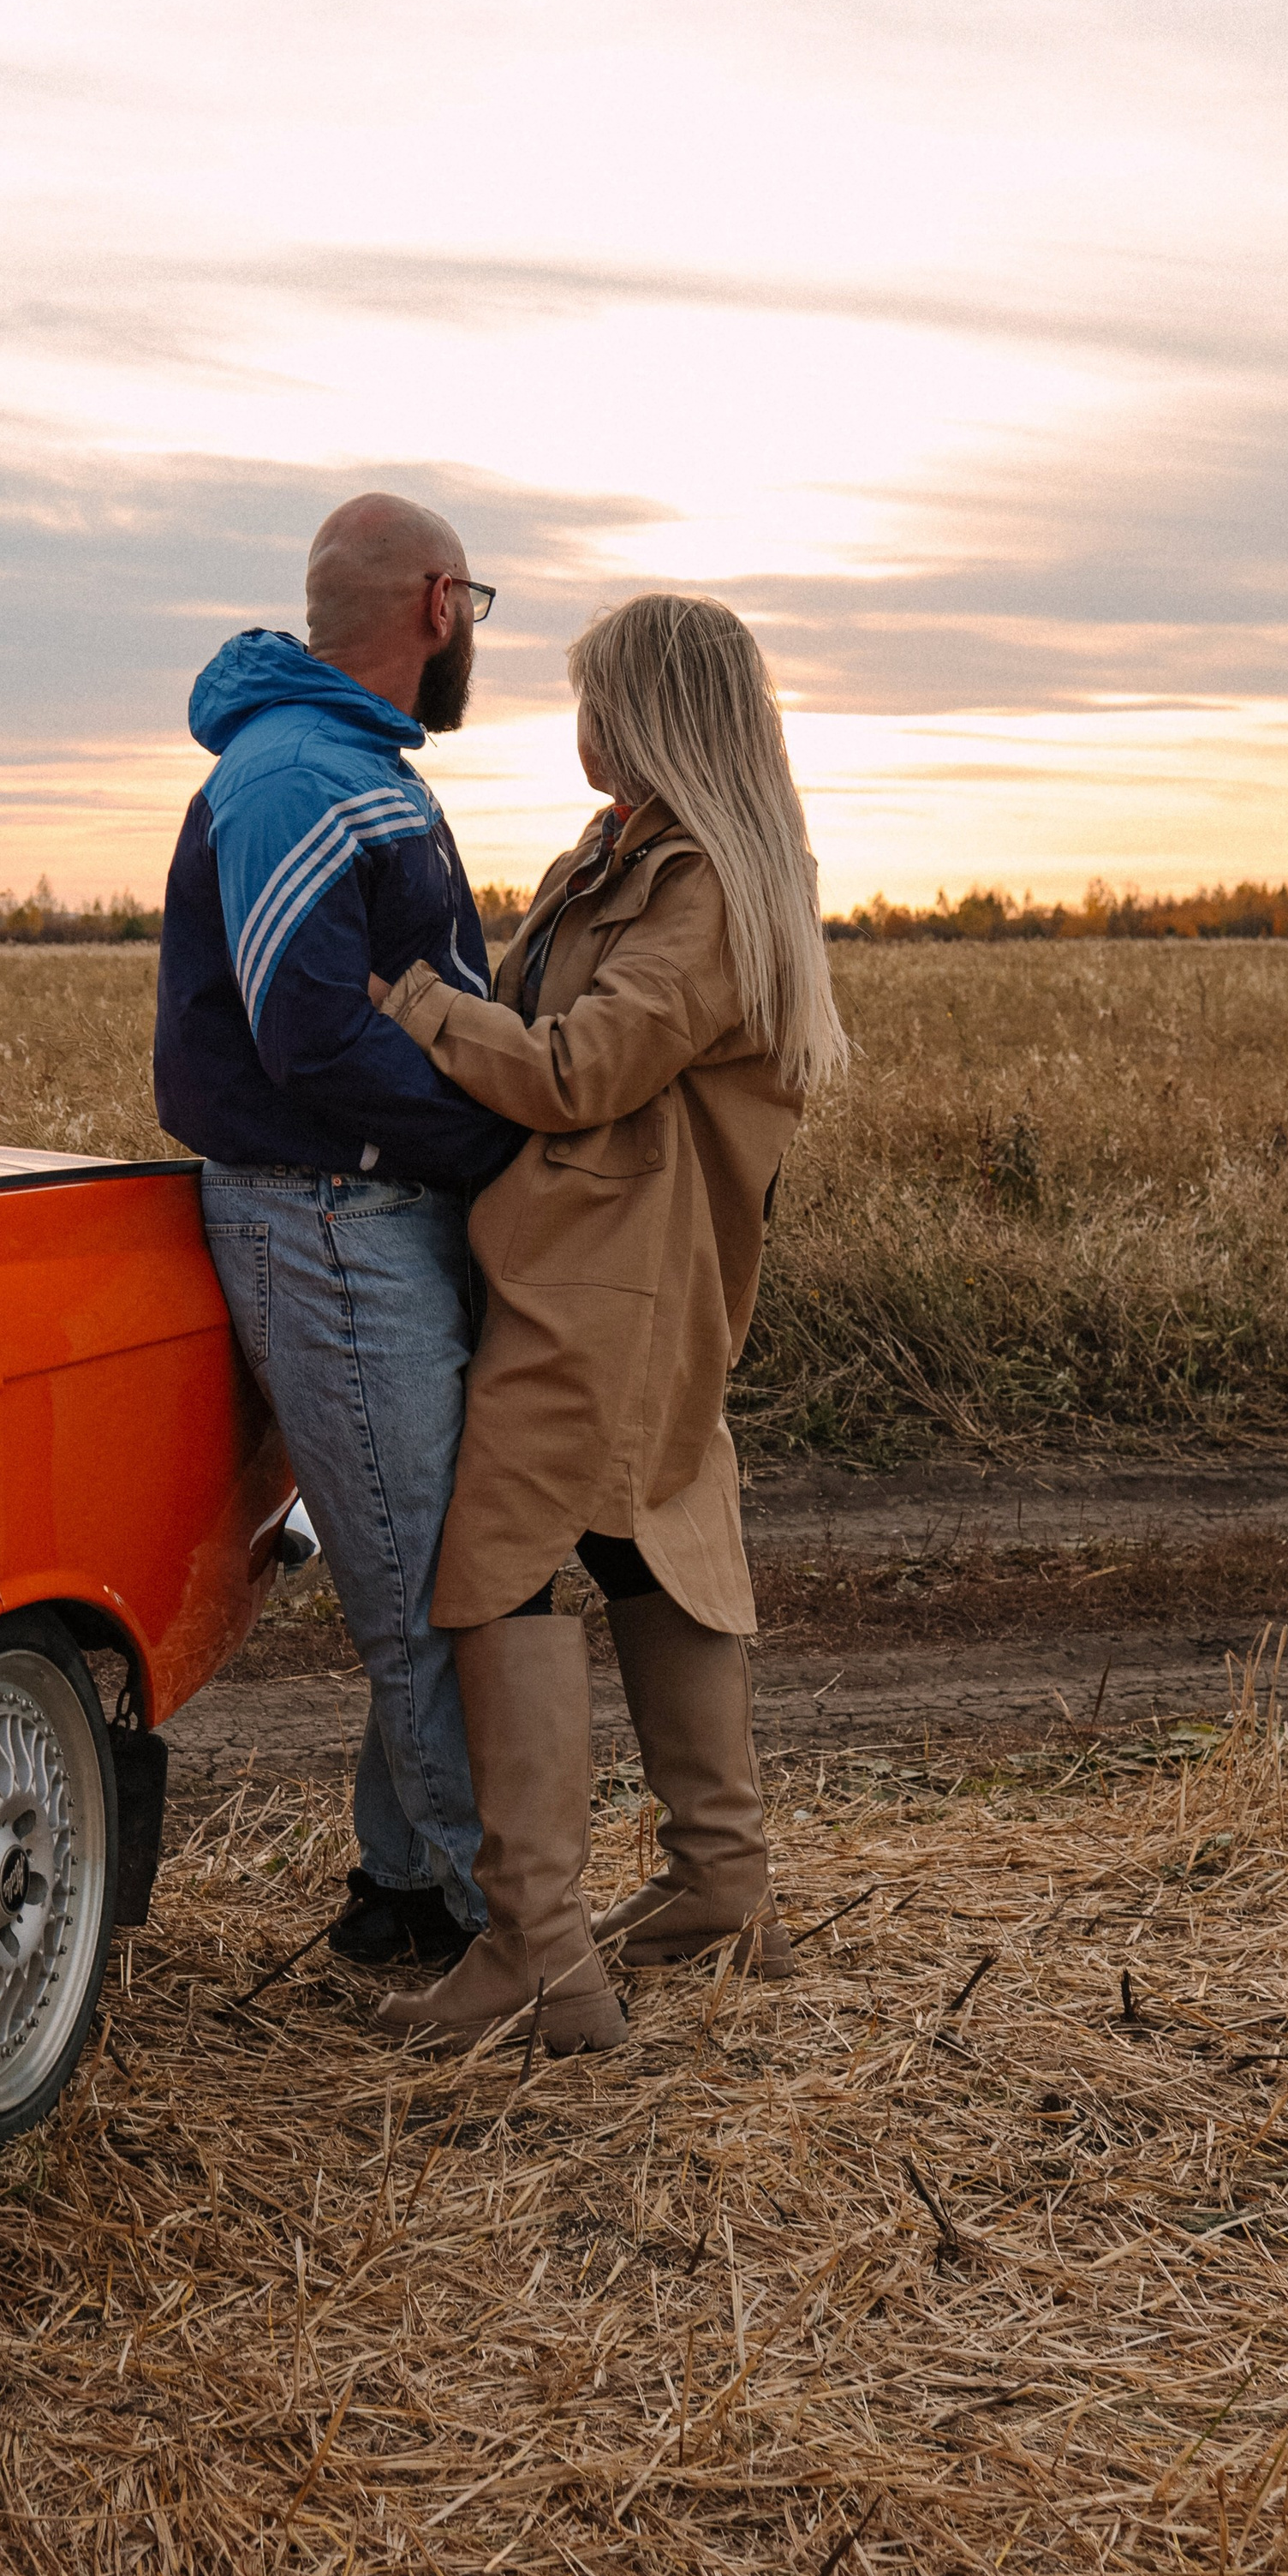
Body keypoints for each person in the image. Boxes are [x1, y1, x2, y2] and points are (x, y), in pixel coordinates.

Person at [370, 592, 850, 2055]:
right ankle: (720, 1889)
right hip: (606, 1271)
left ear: (646, 712)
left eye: (590, 695)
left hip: (607, 1287)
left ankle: (540, 1954)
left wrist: (411, 1009)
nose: (571, 720)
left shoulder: (702, 884)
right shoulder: (628, 856)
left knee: (495, 1571)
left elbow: (582, 1068)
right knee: (647, 1548)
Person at [153, 493, 522, 1965]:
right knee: (418, 1578)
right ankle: (483, 1920)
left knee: (429, 1560)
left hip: (369, 1209)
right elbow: (306, 1033)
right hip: (329, 1217)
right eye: (476, 605)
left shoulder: (342, 759)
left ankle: (404, 1891)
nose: (475, 633)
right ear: (439, 602)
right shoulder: (300, 772)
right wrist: (504, 1123)